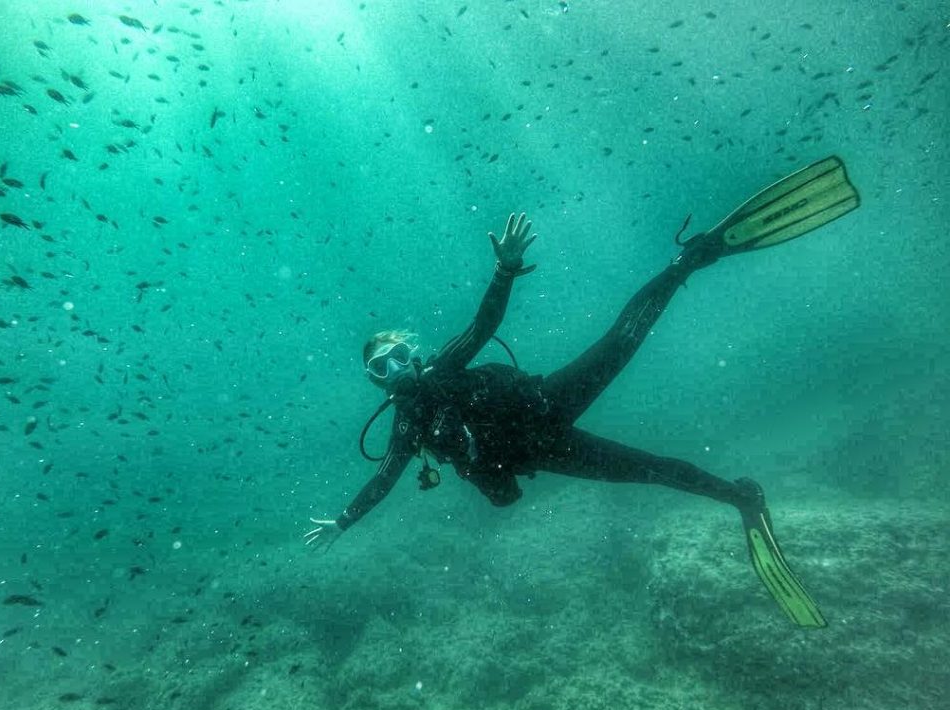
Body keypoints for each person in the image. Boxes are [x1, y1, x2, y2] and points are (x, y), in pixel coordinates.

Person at [305, 156, 859, 628]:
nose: (397, 368)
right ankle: (742, 496)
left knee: (623, 338)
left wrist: (505, 269)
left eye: (400, 354)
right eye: (383, 366)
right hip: (542, 452)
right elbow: (384, 478)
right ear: (375, 380)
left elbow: (481, 326)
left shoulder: (443, 369)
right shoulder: (407, 426)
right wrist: (345, 521)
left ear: (415, 354)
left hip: (550, 401)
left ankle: (694, 256)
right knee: (650, 470)